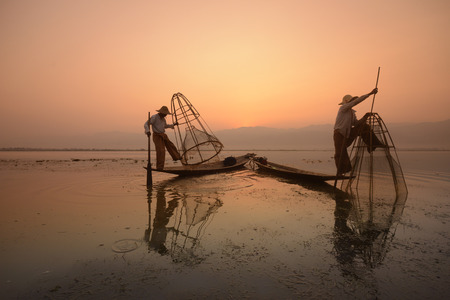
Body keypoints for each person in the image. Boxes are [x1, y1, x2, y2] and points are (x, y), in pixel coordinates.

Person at [333, 88, 384, 174]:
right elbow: (355, 102)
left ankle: (372, 144)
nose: (353, 102)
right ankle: (341, 172)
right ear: (347, 102)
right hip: (339, 134)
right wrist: (370, 93)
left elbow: (356, 124)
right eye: (352, 101)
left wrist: (365, 117)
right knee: (340, 152)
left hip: (347, 135)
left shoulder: (352, 113)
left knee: (364, 126)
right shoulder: (342, 108)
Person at [144, 106, 182, 170]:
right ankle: (160, 167)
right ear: (161, 113)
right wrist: (147, 131)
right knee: (161, 151)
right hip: (157, 135)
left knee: (171, 145)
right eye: (165, 114)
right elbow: (146, 124)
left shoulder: (163, 119)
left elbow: (165, 126)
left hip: (163, 135)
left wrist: (174, 124)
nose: (165, 115)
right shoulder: (154, 117)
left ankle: (177, 157)